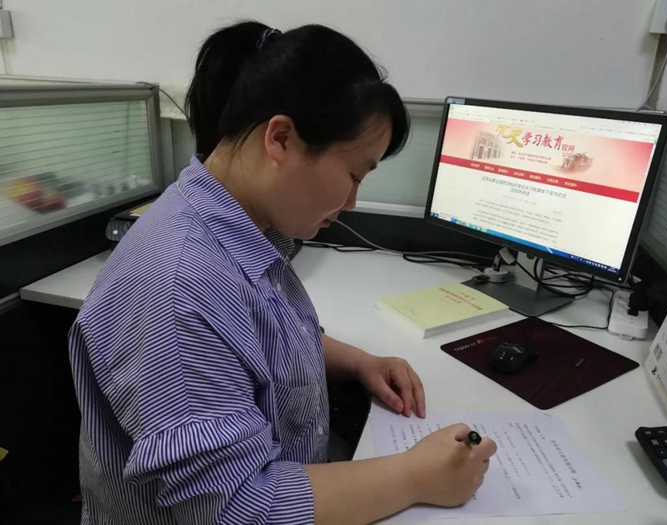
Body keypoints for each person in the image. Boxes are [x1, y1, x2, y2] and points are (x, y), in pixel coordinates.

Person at [68, 21, 496, 525]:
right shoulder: (177, 289)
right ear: (282, 139)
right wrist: (415, 477)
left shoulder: (238, 225)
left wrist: (356, 361)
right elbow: (239, 507)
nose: (352, 202)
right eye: (354, 174)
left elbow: (253, 338)